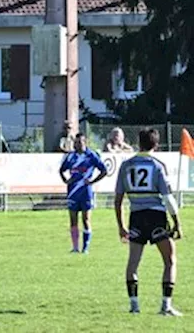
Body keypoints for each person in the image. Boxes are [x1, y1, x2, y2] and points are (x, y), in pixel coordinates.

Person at [115, 127, 182, 316]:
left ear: (138, 143)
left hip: (136, 216)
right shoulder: (157, 165)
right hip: (155, 216)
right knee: (169, 260)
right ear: (156, 144)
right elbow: (168, 198)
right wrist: (177, 222)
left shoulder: (126, 165)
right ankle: (166, 306)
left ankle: (134, 306)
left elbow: (118, 200)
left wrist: (121, 226)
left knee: (133, 263)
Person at [60, 132, 108, 254]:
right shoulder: (71, 156)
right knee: (73, 220)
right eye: (75, 143)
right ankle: (75, 247)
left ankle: (85, 248)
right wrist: (66, 180)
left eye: (79, 142)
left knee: (86, 219)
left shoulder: (91, 155)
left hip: (86, 192)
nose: (77, 145)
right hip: (73, 192)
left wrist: (92, 181)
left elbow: (104, 170)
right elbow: (61, 170)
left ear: (85, 142)